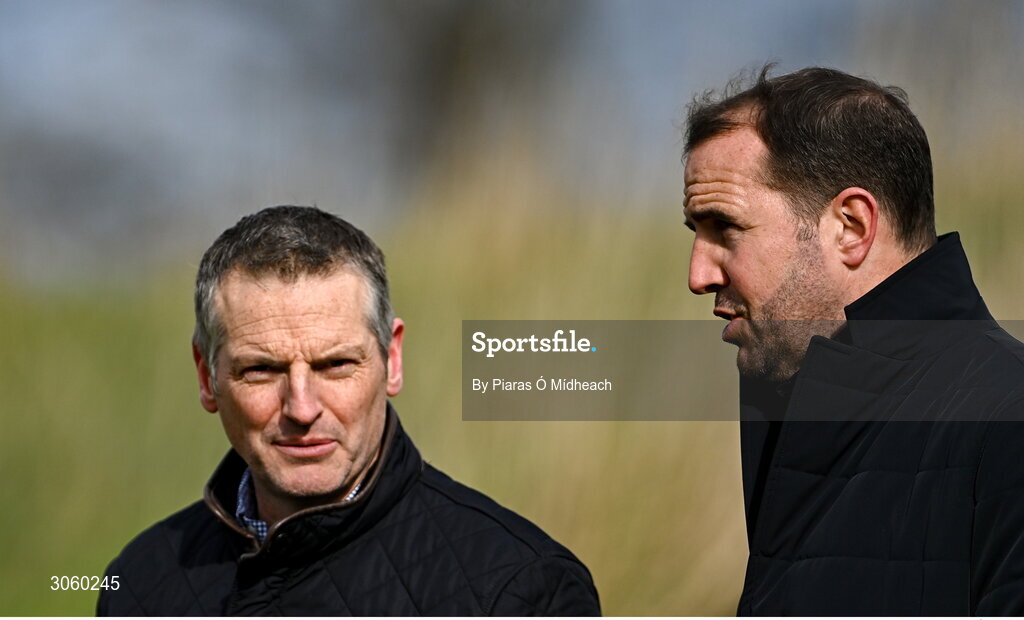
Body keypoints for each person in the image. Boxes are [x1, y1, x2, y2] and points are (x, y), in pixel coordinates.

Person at [97, 206, 600, 616]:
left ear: (391, 360)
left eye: (335, 365)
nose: (302, 408)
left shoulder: (521, 591)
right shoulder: (140, 582)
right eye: (262, 370)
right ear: (207, 377)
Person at [682, 65, 1024, 615]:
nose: (698, 275)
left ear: (851, 226)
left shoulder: (1006, 425)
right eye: (696, 233)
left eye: (725, 228)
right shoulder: (802, 418)